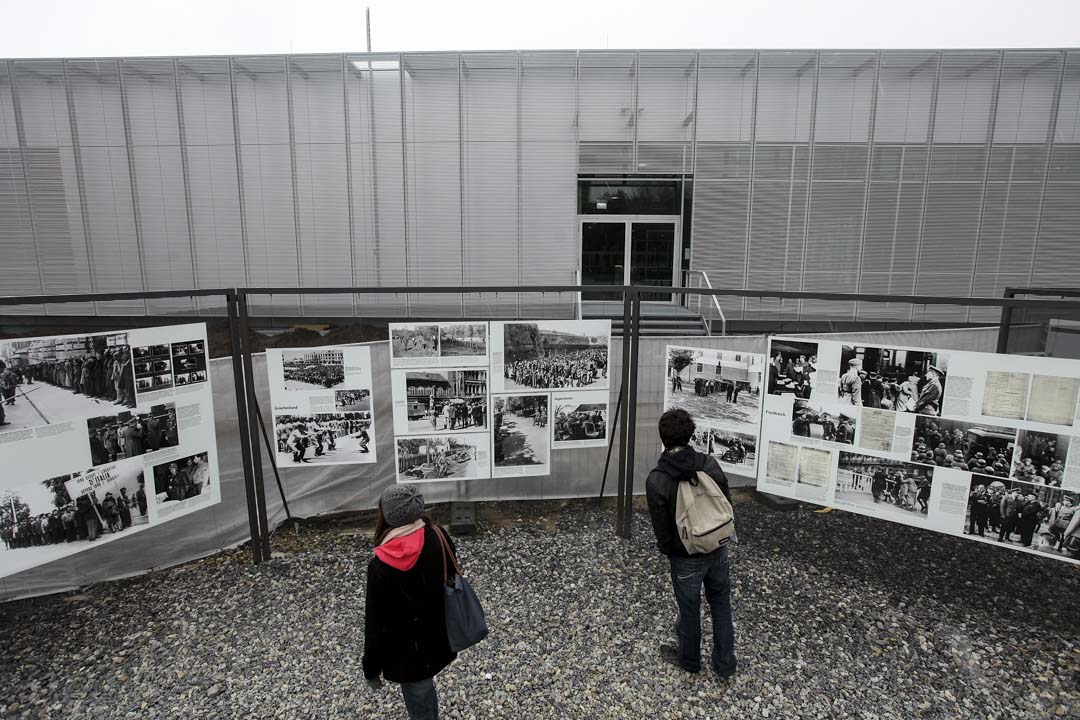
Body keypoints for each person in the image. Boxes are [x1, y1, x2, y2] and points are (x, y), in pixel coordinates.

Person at [645, 408, 737, 679]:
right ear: (691, 435)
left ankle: (690, 660)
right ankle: (725, 663)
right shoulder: (709, 464)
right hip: (717, 545)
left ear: (663, 439)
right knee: (721, 603)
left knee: (689, 608)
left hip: (686, 554)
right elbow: (726, 502)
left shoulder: (657, 479)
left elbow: (662, 530)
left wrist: (671, 550)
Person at [363, 485, 457, 720]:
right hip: (438, 634)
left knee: (419, 698)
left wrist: (371, 668)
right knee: (425, 694)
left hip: (406, 650)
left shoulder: (380, 565)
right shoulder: (438, 536)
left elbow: (375, 621)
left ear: (386, 516)